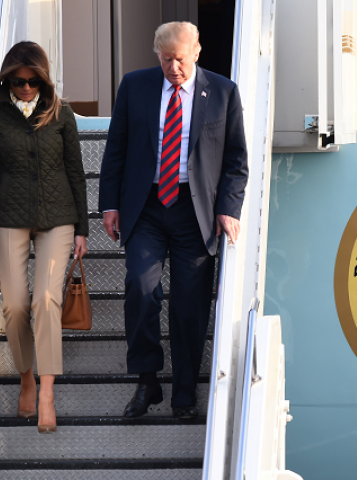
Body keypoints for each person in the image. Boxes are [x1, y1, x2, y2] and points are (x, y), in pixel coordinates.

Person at [99, 21, 248, 419]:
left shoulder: (223, 92)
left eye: (180, 60)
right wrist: (109, 204)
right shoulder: (135, 85)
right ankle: (147, 380)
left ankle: (184, 392)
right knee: (140, 287)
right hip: (146, 206)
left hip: (194, 210)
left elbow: (236, 160)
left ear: (196, 52)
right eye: (166, 60)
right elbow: (116, 148)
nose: (173, 68)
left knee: (189, 306)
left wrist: (228, 208)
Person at [0, 41, 88, 433]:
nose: (27, 88)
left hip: (58, 216)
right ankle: (27, 376)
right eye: (19, 81)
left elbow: (76, 173)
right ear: (7, 79)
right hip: (8, 216)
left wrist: (82, 228)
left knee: (46, 298)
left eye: (34, 81)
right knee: (15, 305)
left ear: (44, 79)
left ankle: (46, 391)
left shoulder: (62, 114)